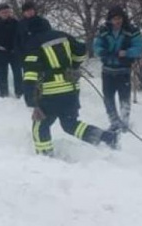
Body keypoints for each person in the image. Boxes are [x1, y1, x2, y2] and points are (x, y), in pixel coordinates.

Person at [22, 18, 117, 155]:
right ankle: (106, 138)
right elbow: (80, 51)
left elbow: (30, 74)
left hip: (51, 92)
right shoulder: (63, 36)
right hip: (70, 90)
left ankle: (44, 156)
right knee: (70, 125)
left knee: (40, 125)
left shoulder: (33, 43)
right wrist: (73, 66)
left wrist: (32, 102)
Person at [93, 5, 142, 135]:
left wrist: (127, 53)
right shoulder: (103, 31)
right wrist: (102, 52)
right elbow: (96, 46)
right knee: (108, 98)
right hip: (107, 71)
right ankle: (114, 122)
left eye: (119, 18)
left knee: (124, 98)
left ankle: (124, 123)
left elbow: (139, 47)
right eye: (115, 19)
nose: (117, 21)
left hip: (124, 70)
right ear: (110, 20)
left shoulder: (131, 31)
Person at [0, 4, 23, 98]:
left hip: (14, 52)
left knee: (17, 72)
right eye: (3, 12)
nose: (5, 14)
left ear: (10, 12)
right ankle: (3, 92)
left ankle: (19, 92)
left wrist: (19, 48)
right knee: (2, 73)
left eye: (7, 12)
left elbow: (20, 37)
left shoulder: (16, 23)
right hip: (1, 51)